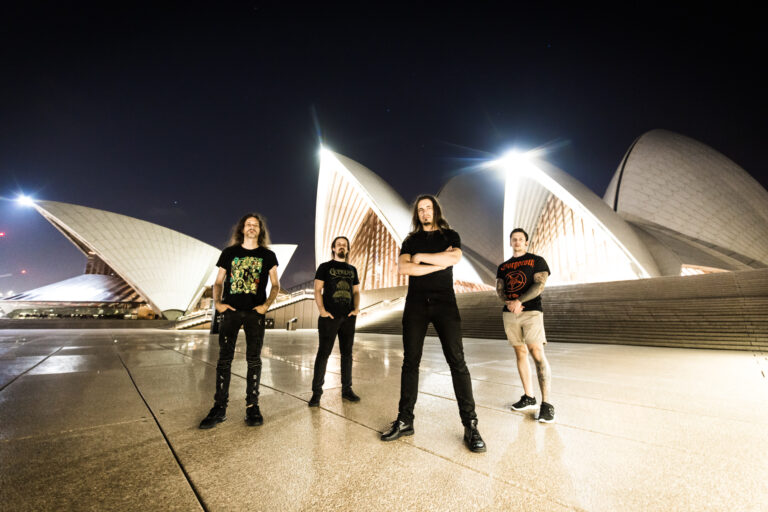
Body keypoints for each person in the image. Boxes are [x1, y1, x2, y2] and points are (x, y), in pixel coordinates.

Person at [380, 194, 486, 452]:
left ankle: (470, 425)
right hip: (415, 304)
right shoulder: (410, 240)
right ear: (417, 214)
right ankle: (405, 420)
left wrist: (419, 258)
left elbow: (454, 259)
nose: (425, 212)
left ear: (436, 210)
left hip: (444, 303)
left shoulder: (450, 235)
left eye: (428, 208)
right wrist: (436, 263)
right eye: (421, 209)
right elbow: (405, 269)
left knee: (457, 361)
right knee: (410, 362)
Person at [199, 213, 280, 429]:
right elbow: (218, 282)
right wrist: (218, 303)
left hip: (255, 313)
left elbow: (275, 285)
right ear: (242, 229)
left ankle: (252, 406)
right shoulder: (229, 253)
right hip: (231, 312)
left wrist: (265, 306)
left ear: (260, 230)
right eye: (248, 224)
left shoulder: (267, 255)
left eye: (255, 225)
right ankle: (219, 408)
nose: (252, 227)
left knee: (254, 360)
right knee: (224, 360)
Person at [496, 228, 554, 423]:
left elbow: (539, 285)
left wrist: (519, 301)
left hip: (531, 311)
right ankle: (529, 397)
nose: (517, 242)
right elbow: (500, 289)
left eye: (521, 239)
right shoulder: (503, 266)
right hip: (511, 313)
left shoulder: (537, 260)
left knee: (536, 352)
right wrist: (509, 303)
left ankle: (547, 404)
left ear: (526, 242)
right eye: (514, 239)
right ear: (510, 242)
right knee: (520, 352)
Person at [308, 236, 361, 407]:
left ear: (348, 249)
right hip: (329, 318)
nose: (341, 247)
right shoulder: (325, 267)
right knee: (323, 354)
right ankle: (316, 393)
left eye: (344, 245)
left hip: (348, 318)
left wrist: (356, 309)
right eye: (339, 245)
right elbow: (317, 290)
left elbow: (356, 292)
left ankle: (347, 390)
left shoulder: (352, 269)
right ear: (333, 248)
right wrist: (322, 311)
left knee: (347, 354)